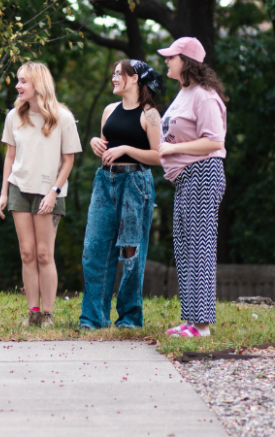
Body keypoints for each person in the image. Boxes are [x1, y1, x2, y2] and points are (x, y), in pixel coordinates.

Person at [78, 59, 164, 330]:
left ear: (135, 78)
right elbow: (106, 145)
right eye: (113, 73)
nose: (114, 78)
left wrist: (126, 148)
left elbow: (158, 156)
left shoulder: (149, 114)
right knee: (94, 249)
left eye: (119, 74)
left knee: (130, 252)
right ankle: (93, 319)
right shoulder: (109, 110)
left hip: (135, 183)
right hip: (105, 180)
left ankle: (129, 319)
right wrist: (95, 142)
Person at [0, 62, 82, 328]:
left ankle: (47, 313)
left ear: (38, 84)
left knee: (45, 254)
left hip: (49, 194)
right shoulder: (14, 116)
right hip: (20, 189)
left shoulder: (62, 117)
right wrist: (3, 194)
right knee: (27, 253)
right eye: (18, 81)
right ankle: (32, 312)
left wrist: (54, 193)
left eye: (23, 81)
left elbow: (68, 162)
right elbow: (10, 156)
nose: (17, 86)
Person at [157, 37, 227, 338]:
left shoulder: (205, 96)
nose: (166, 61)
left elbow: (215, 141)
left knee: (199, 248)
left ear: (186, 61)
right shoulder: (183, 93)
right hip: (186, 177)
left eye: (171, 57)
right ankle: (189, 320)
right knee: (185, 248)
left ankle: (202, 325)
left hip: (203, 173)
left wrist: (171, 151)